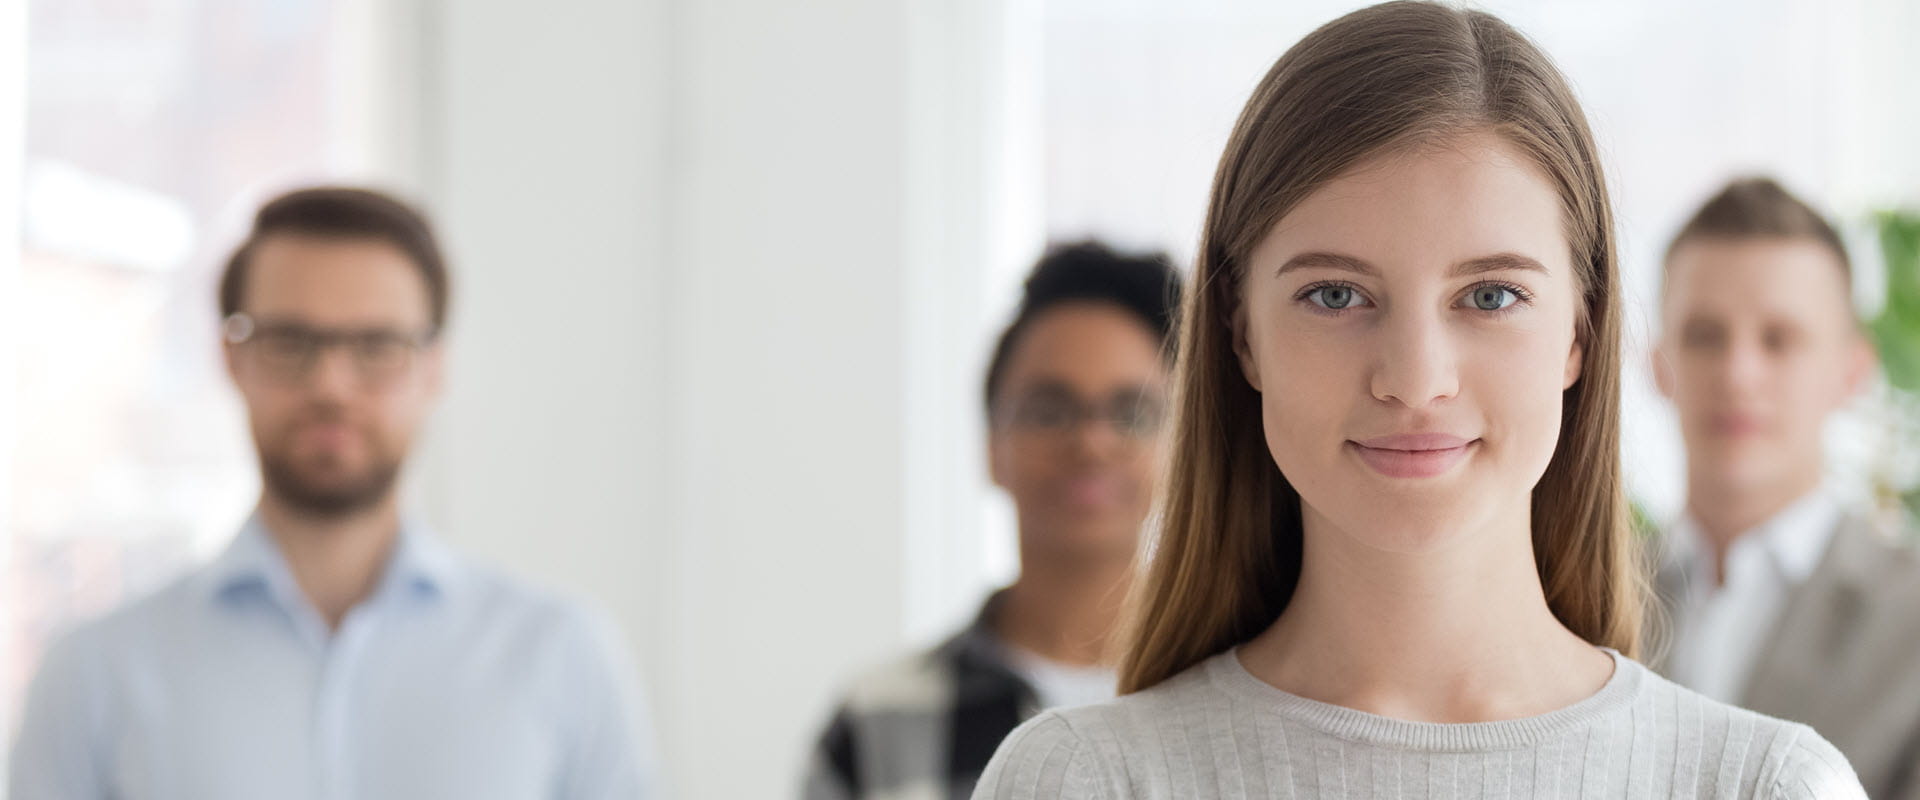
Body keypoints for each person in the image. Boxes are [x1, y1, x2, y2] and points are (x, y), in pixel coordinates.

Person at [972, 3, 1865, 798]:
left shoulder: (1767, 786)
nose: (1414, 377)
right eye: (1335, 295)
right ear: (1241, 335)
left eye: (1490, 296)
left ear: (1580, 334)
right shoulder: (1080, 780)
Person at [9, 187, 658, 800]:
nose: (331, 384)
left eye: (377, 346)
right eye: (290, 343)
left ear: (434, 367)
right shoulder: (95, 675)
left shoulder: (562, 657)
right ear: (232, 357)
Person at [802, 242, 1183, 800]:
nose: (1090, 442)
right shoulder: (875, 721)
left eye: (1131, 413)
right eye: (1049, 410)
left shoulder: (1247, 695)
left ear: (1182, 449)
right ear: (991, 446)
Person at [1649, 177, 1920, 799]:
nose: (1738, 374)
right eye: (1705, 335)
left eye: (1780, 339)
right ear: (1658, 363)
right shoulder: (1574, 592)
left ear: (1851, 372)